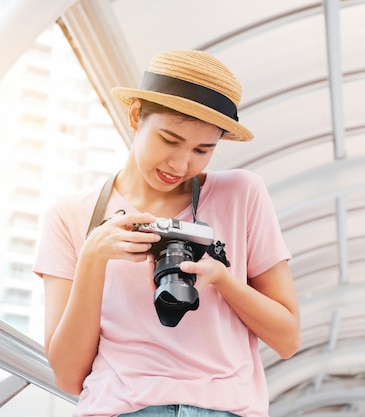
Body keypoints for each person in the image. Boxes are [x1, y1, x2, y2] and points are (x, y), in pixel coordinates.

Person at [33, 49, 301, 417]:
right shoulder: (70, 216)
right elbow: (67, 375)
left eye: (203, 149)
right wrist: (93, 257)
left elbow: (287, 339)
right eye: (169, 140)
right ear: (134, 115)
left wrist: (222, 278)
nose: (180, 164)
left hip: (225, 409)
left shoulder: (242, 194)